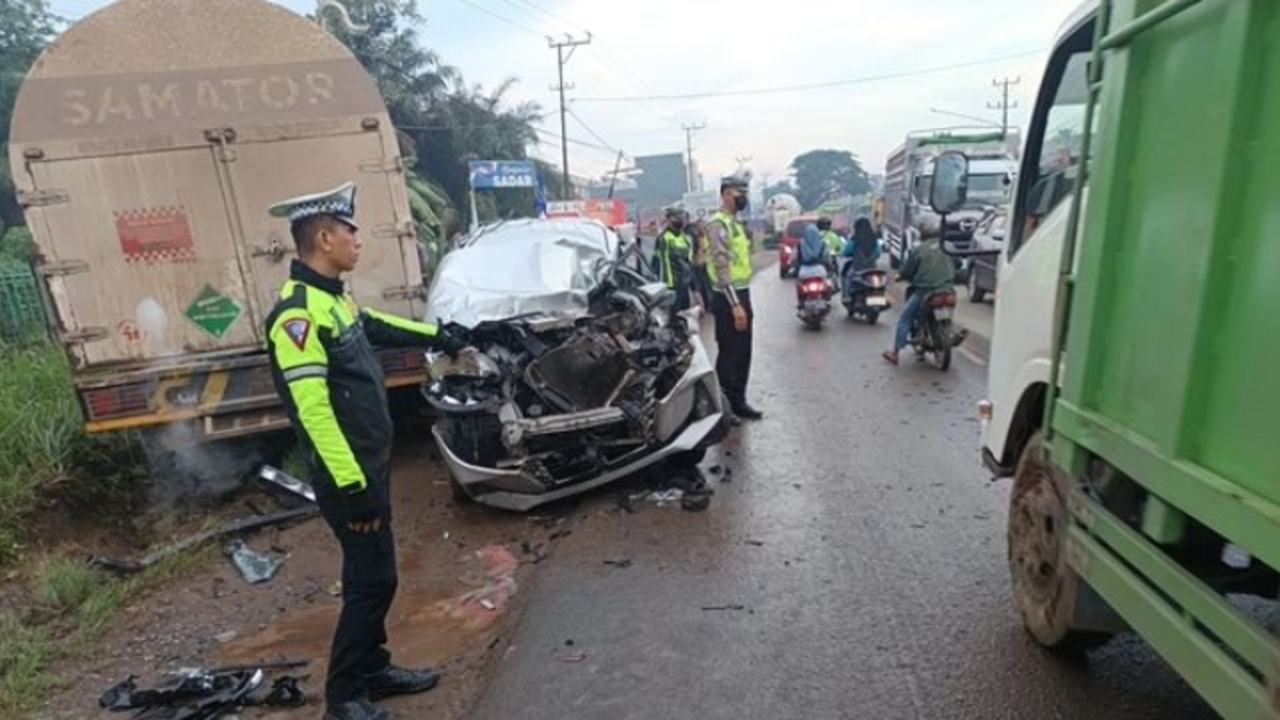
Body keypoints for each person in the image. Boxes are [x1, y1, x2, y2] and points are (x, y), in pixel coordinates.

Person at [264, 182, 468, 720]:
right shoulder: (297, 317)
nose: (358, 239)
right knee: (372, 580)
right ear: (324, 237)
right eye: (349, 231)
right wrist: (353, 488)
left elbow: (373, 326)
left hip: (365, 467)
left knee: (374, 574)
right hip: (346, 476)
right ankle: (344, 695)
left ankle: (372, 668)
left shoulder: (333, 299)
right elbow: (313, 411)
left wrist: (436, 335)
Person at [707, 176, 763, 421]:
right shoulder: (717, 224)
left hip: (742, 293)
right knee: (729, 354)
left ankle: (739, 402)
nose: (743, 196)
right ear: (726, 193)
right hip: (727, 297)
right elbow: (721, 267)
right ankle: (723, 408)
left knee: (743, 353)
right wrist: (735, 305)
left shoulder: (734, 223)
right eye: (739, 192)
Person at [882, 231, 954, 366]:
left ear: (921, 235)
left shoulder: (918, 250)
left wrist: (900, 276)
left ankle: (895, 353)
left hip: (925, 292)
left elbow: (908, 271)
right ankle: (946, 332)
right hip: (947, 290)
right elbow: (959, 263)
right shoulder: (948, 246)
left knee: (905, 318)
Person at [654, 207, 694, 312]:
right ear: (668, 220)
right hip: (671, 286)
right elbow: (657, 263)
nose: (680, 219)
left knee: (686, 316)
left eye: (681, 217)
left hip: (685, 285)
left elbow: (689, 263)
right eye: (676, 217)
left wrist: (695, 288)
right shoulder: (663, 238)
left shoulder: (687, 239)